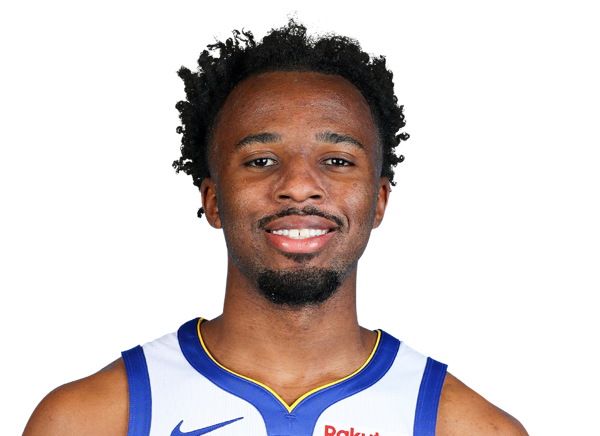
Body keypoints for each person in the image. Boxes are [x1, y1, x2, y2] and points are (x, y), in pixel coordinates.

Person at [23, 13, 528, 436]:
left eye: (337, 161)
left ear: (379, 202)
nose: (299, 186)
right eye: (261, 161)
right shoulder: (87, 420)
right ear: (213, 201)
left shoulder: (471, 428)